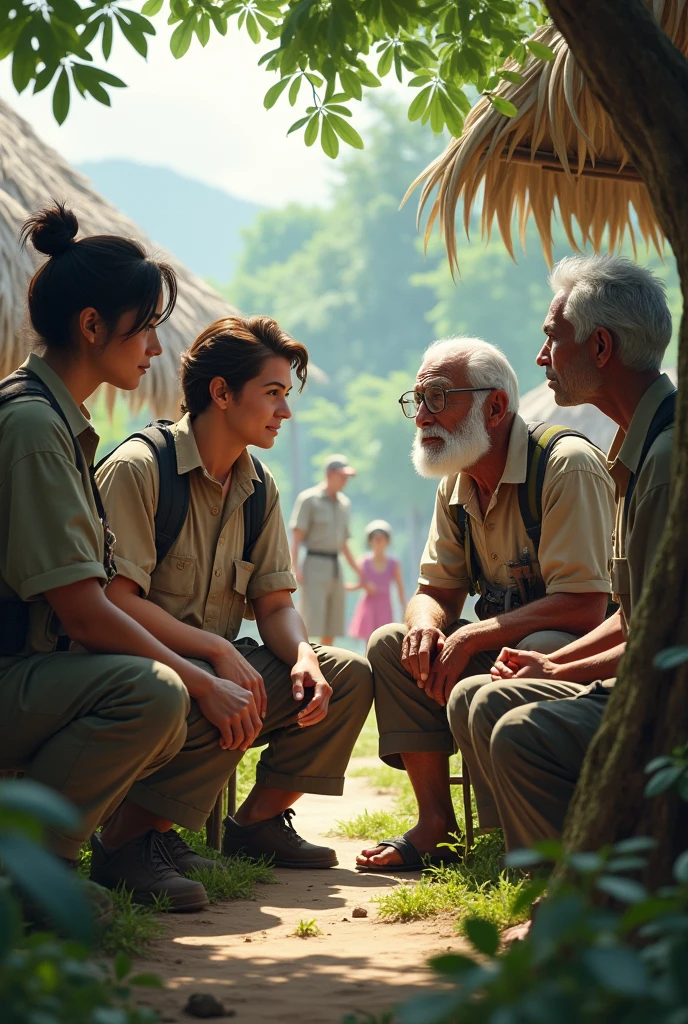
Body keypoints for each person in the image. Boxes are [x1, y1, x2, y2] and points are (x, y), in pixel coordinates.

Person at [0, 203, 240, 913]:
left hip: (33, 669)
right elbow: (85, 610)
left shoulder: (52, 422)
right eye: (145, 330)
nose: (156, 351)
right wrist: (197, 679)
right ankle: (35, 879)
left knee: (177, 682)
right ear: (92, 327)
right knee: (154, 692)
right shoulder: (35, 429)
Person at [96, 316, 373, 870]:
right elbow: (115, 602)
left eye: (286, 396)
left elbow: (273, 603)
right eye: (272, 394)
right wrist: (218, 653)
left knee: (342, 675)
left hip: (209, 668)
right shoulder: (140, 469)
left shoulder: (257, 487)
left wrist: (301, 659)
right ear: (221, 393)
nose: (285, 412)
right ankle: (132, 837)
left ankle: (256, 824)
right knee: (206, 690)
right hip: (133, 670)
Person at [356, 336, 616, 871]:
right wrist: (427, 626)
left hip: (572, 653)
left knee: (536, 644)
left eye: (438, 398)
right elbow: (435, 591)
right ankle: (435, 826)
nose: (422, 416)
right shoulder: (456, 478)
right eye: (417, 399)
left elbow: (586, 606)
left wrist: (473, 634)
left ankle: (514, 837)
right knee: (392, 644)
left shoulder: (565, 466)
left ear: (494, 407)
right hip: (503, 645)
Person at [456, 254, 675, 855]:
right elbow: (637, 613)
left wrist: (561, 668)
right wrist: (553, 668)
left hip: (665, 705)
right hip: (640, 680)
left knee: (521, 732)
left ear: (600, 347)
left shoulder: (663, 464)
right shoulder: (641, 449)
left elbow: (660, 640)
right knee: (483, 696)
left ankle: (574, 907)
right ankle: (525, 867)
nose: (541, 356)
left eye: (554, 337)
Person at [290, 455, 361, 645]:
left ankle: (326, 664)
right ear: (330, 474)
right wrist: (294, 568)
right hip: (314, 564)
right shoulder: (309, 499)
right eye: (342, 476)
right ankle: (303, 660)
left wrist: (358, 571)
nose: (345, 480)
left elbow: (344, 543)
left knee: (333, 623)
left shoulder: (344, 504)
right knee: (311, 619)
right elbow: (296, 537)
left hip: (335, 566)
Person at [348, 520, 406, 643]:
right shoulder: (363, 562)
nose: (379, 542)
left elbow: (400, 587)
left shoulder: (393, 564)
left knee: (384, 638)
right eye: (375, 538)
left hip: (385, 605)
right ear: (370, 541)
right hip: (369, 606)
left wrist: (404, 609)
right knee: (368, 640)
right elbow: (358, 584)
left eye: (382, 538)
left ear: (387, 541)